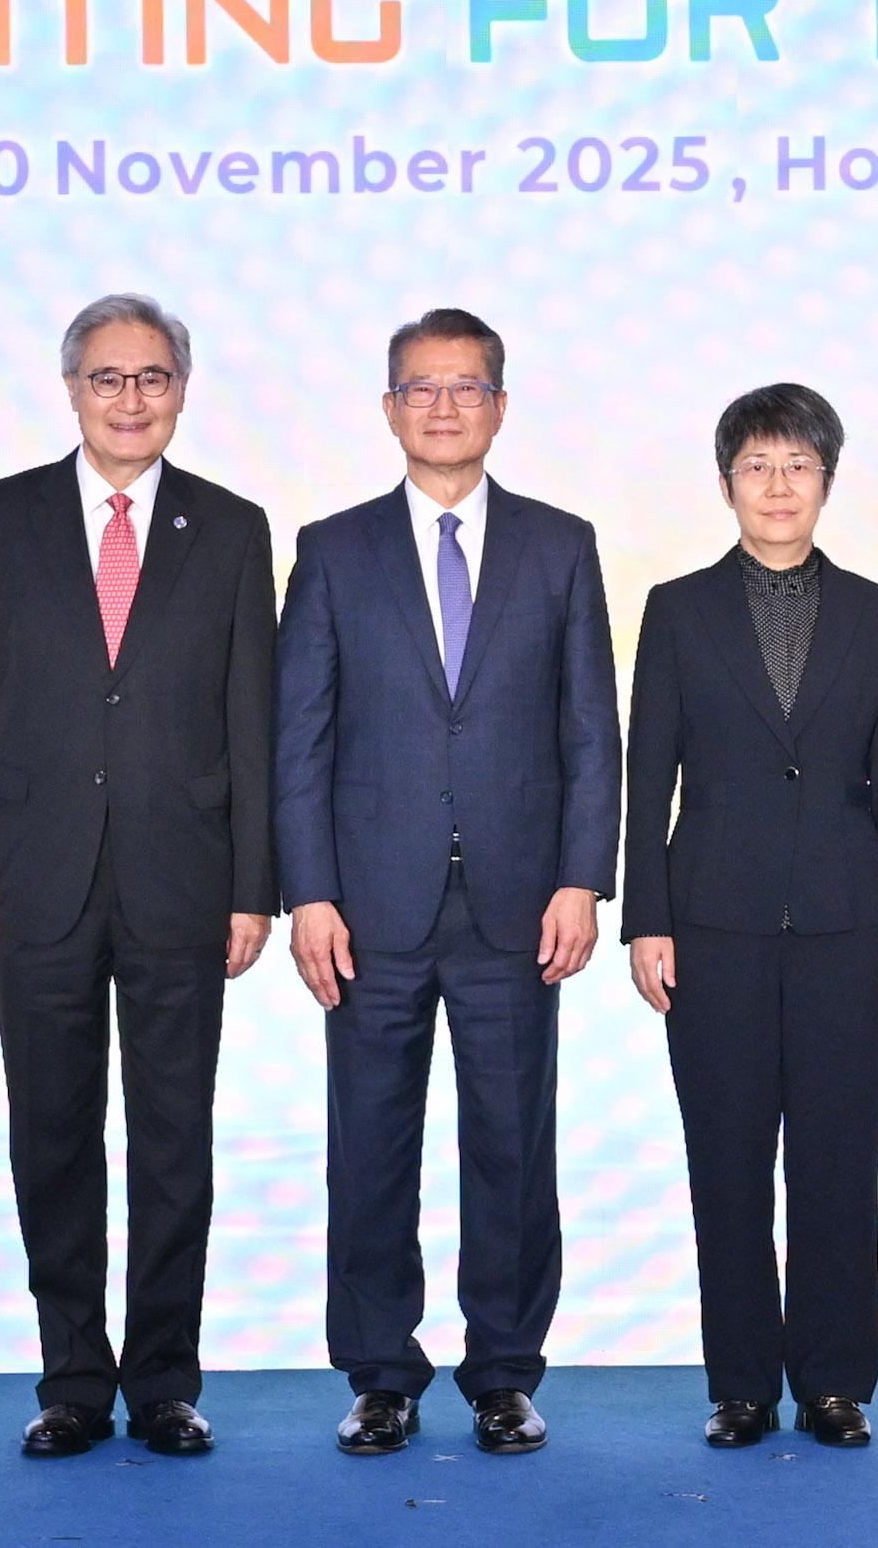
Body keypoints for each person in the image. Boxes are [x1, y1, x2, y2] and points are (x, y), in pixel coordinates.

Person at [0, 294, 279, 1460]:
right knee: (54, 1132)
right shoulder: (0, 517)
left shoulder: (232, 528)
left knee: (176, 1136)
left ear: (181, 389)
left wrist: (254, 885)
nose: (129, 398)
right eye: (106, 377)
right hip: (34, 877)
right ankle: (73, 1380)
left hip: (186, 877)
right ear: (71, 387)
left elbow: (254, 716)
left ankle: (167, 1381)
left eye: (151, 377)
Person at [275, 307, 620, 1458]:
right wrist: (308, 891)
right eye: (419, 387)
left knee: (513, 1143)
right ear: (388, 409)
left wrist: (582, 878)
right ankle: (381, 1372)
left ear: (500, 407)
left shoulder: (561, 544)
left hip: (518, 904)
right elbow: (301, 739)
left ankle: (503, 1372)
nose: (441, 405)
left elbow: (589, 731)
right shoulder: (332, 548)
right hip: (367, 905)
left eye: (464, 386)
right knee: (369, 1142)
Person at [622, 383, 878, 1449]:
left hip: (848, 918)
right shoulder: (676, 606)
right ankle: (743, 1381)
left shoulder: (875, 609)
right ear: (725, 482)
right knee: (728, 1154)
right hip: (710, 919)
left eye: (798, 463)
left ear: (828, 480)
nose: (778, 484)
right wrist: (644, 917)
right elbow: (644, 773)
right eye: (757, 464)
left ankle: (836, 1380)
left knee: (841, 1156)